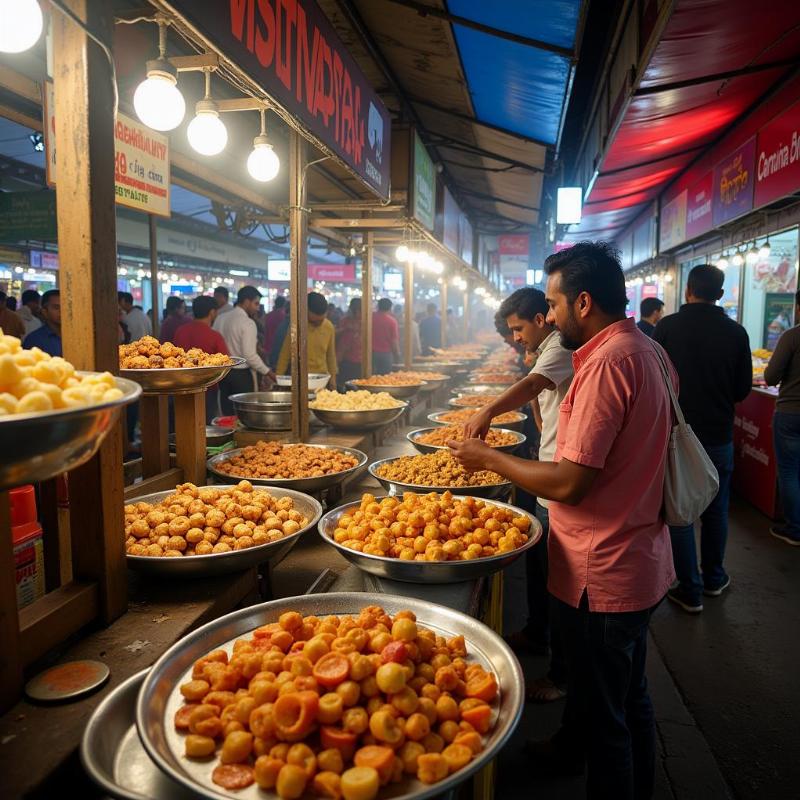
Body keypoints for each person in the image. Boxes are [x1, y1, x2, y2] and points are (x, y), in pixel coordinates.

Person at [450, 241, 676, 799]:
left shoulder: (605, 364)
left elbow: (572, 481)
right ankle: (583, 755)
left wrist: (491, 458)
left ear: (581, 302)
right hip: (638, 553)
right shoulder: (649, 349)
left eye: (550, 305)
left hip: (604, 569)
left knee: (610, 718)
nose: (546, 317)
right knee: (627, 696)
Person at [465, 287, 573, 703]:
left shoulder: (560, 344)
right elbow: (539, 399)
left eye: (518, 329)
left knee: (559, 585)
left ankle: (561, 673)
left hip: (556, 478)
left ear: (541, 319)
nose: (515, 338)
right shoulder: (546, 347)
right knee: (542, 570)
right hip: (543, 469)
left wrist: (487, 410)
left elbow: (533, 386)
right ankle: (537, 633)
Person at [654, 264, 752, 612]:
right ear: (721, 295)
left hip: (673, 438)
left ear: (687, 291)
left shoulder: (665, 328)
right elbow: (742, 389)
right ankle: (714, 578)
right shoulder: (736, 332)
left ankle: (689, 589)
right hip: (718, 436)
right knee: (716, 509)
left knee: (679, 510)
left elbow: (651, 384)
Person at [763, 291, 800, 545]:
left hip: (791, 413)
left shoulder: (792, 336)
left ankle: (795, 528)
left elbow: (771, 377)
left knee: (789, 471)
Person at [214, 285, 274, 413]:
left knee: (227, 413)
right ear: (246, 301)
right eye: (256, 303)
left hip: (223, 374)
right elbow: (249, 355)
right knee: (245, 414)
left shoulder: (220, 318)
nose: (258, 308)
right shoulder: (247, 323)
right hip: (241, 375)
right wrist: (268, 372)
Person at [174, 295, 229, 423]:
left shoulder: (180, 331)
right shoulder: (214, 336)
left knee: (183, 422)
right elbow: (225, 361)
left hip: (181, 386)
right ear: (212, 312)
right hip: (207, 389)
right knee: (204, 425)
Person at [275, 292, 337, 388]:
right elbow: (285, 354)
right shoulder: (297, 326)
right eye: (314, 321)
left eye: (321, 321)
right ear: (305, 312)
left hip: (321, 381)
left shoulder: (329, 327)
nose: (318, 324)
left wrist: (333, 379)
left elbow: (331, 356)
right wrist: (278, 380)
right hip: (299, 380)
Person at [23, 289, 61, 356]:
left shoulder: (77, 336)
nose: (62, 311)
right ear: (45, 312)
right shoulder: (34, 340)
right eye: (56, 308)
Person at [336, 298, 362, 389]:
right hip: (348, 360)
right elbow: (342, 344)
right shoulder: (345, 321)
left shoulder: (366, 322)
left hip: (359, 361)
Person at [373, 298, 400, 374]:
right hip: (386, 354)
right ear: (390, 308)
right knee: (384, 379)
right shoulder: (392, 321)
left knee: (370, 378)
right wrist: (397, 354)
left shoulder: (369, 318)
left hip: (370, 353)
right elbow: (394, 341)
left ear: (378, 306)